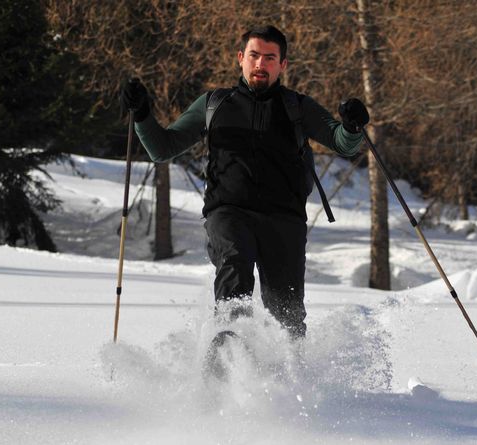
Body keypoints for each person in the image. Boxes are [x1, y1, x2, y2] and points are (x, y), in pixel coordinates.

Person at [121, 25, 369, 339]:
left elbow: (343, 143)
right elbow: (162, 148)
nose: (260, 64)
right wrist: (141, 114)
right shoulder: (214, 104)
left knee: (287, 316)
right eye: (254, 55)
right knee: (235, 265)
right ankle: (228, 349)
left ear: (283, 65)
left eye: (269, 58)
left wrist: (352, 125)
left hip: (284, 220)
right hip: (228, 212)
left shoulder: (297, 107)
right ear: (240, 58)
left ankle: (293, 377)